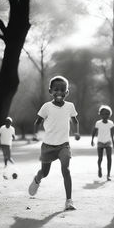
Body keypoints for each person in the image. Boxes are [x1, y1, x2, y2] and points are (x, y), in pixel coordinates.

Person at [28, 75, 80, 211]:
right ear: (50, 91)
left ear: (67, 92)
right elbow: (37, 122)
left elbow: (75, 121)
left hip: (64, 145)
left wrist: (76, 132)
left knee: (66, 170)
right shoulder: (46, 107)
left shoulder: (70, 106)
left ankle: (69, 200)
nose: (59, 92)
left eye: (63, 90)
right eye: (56, 90)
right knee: (45, 173)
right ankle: (37, 179)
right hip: (48, 146)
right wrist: (35, 134)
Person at [91, 105, 114, 181]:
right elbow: (94, 132)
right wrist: (92, 140)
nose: (105, 115)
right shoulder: (98, 123)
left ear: (110, 115)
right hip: (100, 142)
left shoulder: (111, 123)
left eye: (107, 114)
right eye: (103, 114)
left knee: (109, 158)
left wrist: (113, 143)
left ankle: (108, 175)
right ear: (100, 115)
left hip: (108, 142)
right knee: (100, 158)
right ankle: (99, 168)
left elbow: (112, 134)